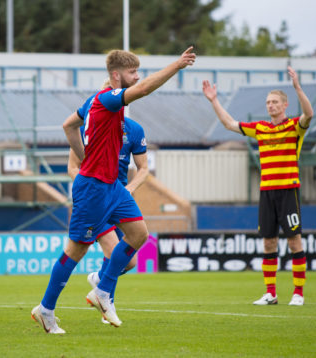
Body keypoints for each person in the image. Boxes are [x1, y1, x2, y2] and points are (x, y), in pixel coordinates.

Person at [31, 47, 195, 334]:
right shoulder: (106, 99)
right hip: (93, 187)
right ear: (116, 75)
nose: (137, 76)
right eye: (132, 72)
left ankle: (103, 290)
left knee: (139, 234)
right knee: (76, 250)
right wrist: (177, 66)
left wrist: (84, 156)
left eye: (137, 72)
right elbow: (143, 89)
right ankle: (45, 309)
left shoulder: (97, 102)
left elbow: (69, 125)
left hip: (113, 187)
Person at [202, 66, 313, 306]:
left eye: (274, 102)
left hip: (288, 190)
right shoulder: (261, 128)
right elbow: (230, 124)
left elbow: (309, 114)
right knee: (268, 242)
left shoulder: (294, 126)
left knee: (294, 241)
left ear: (284, 105)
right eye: (268, 102)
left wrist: (298, 88)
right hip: (266, 192)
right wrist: (214, 101)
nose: (270, 105)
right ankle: (270, 293)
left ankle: (298, 293)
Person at [68, 79, 149, 324]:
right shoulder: (91, 126)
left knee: (130, 260)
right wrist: (88, 182)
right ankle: (102, 300)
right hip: (95, 195)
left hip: (118, 195)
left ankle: (100, 284)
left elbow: (144, 168)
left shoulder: (134, 130)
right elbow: (73, 166)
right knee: (107, 251)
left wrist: (131, 188)